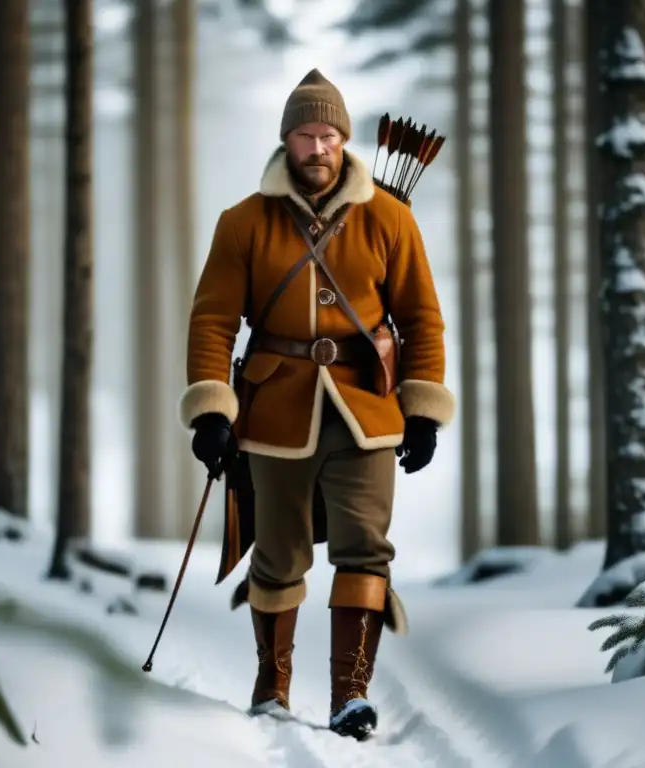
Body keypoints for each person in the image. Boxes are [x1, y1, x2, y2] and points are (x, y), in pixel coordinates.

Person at [178, 68, 454, 740]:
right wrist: (213, 409)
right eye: (306, 134)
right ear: (287, 140)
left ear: (345, 140)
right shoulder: (242, 223)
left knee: (366, 550)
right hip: (273, 412)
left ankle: (350, 695)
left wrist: (421, 409)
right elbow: (212, 321)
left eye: (329, 134)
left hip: (367, 410)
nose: (319, 147)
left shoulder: (390, 218)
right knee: (276, 555)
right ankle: (272, 684)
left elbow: (423, 319)